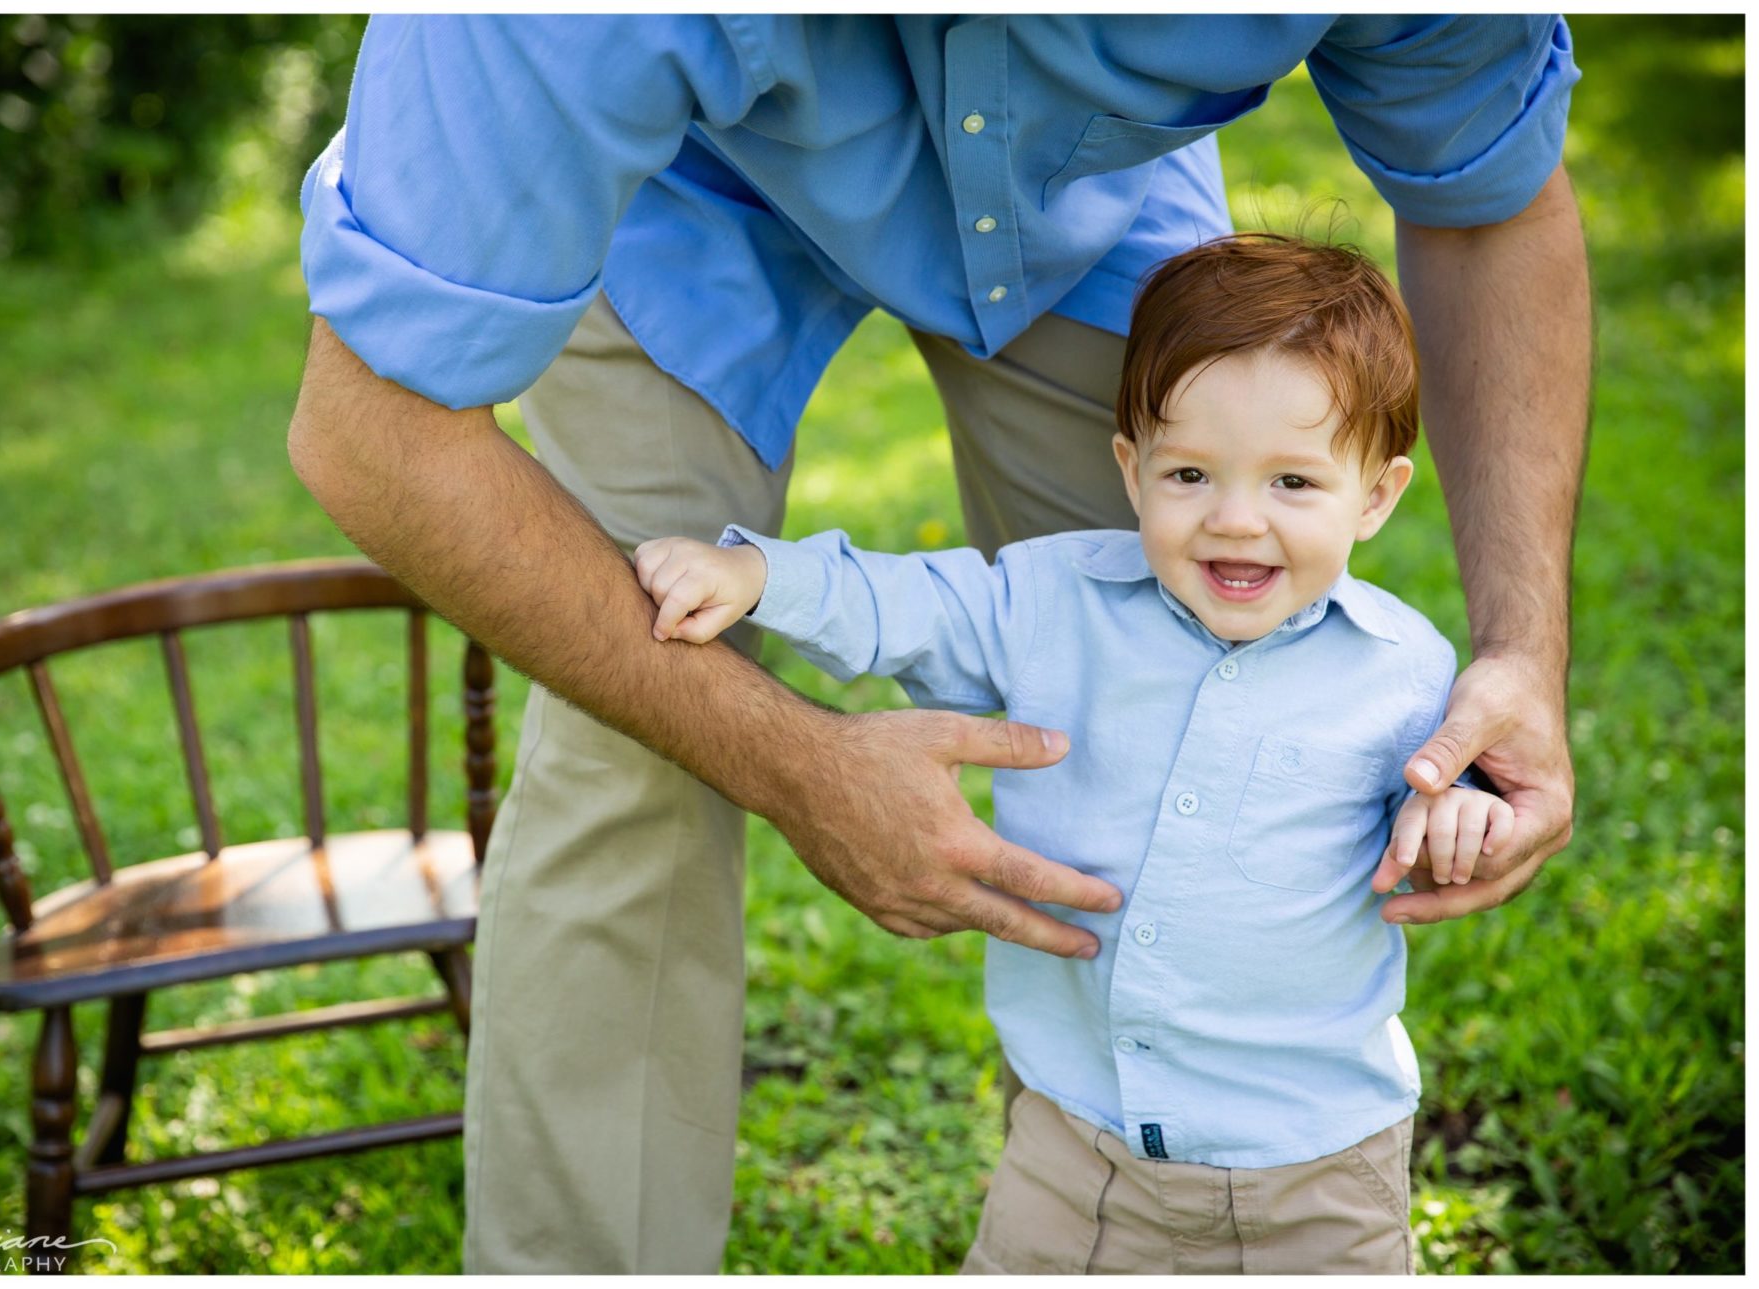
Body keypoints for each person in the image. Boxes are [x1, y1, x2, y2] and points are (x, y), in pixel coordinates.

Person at [287, 17, 1588, 1272]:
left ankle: (1206, 1193)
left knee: (1169, 667)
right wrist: (787, 757)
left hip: (1079, 193)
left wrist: (1521, 654)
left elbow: (1490, 194)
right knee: (627, 748)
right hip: (674, 195)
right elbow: (373, 432)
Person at [632, 233, 1508, 1273]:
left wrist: (1464, 811)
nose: (1236, 519)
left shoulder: (1404, 667)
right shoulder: (1051, 602)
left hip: (1313, 1168)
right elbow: (911, 602)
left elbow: (1456, 787)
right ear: (1131, 471)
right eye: (1190, 472)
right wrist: (759, 576)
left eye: (1292, 483)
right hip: (1072, 1147)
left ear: (1375, 494)